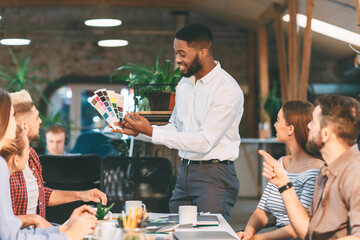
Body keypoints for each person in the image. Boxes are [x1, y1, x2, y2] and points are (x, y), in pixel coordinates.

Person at [114, 23, 244, 221]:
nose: (177, 59)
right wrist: (138, 132)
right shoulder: (184, 84)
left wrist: (150, 131)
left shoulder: (226, 89)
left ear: (203, 52)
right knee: (177, 229)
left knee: (210, 234)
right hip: (185, 170)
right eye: (176, 53)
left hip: (214, 174)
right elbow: (175, 127)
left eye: (182, 54)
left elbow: (204, 141)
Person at [0, 87, 97, 240]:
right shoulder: (4, 164)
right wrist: (67, 234)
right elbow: (10, 234)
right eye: (11, 119)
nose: (41, 121)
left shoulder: (31, 155)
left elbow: (39, 194)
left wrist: (80, 197)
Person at [261, 95, 360, 239]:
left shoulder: (355, 173)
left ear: (325, 134)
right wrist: (284, 184)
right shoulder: (325, 171)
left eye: (314, 123)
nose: (308, 126)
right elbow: (306, 230)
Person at [237, 100, 323, 240]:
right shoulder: (280, 163)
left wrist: (257, 239)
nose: (274, 125)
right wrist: (248, 232)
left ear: (290, 129)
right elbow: (262, 211)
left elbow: (300, 227)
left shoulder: (315, 171)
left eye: (277, 120)